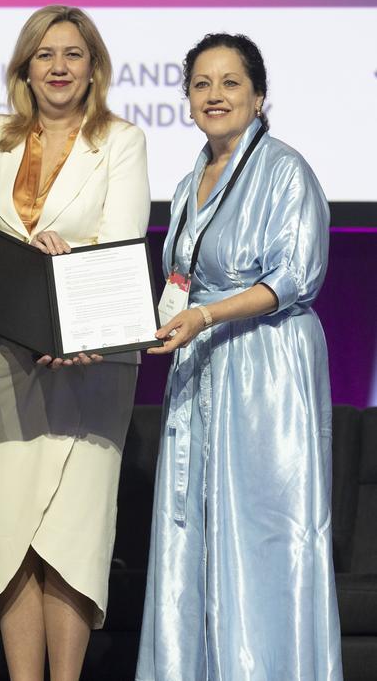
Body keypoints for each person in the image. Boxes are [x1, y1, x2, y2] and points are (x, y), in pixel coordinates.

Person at [136, 33, 342, 680]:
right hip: (201, 369)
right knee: (193, 536)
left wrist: (207, 314)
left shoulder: (285, 169)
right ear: (188, 100)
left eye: (230, 82)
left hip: (267, 372)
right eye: (202, 83)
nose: (215, 94)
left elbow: (294, 277)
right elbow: (180, 282)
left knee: (265, 537)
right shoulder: (187, 180)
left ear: (258, 96)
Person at [0, 5, 151, 681]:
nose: (60, 67)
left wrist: (66, 280)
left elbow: (122, 239)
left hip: (89, 361)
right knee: (10, 529)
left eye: (73, 54)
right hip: (2, 355)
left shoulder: (121, 140)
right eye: (46, 55)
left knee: (71, 531)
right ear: (24, 68)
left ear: (93, 67)